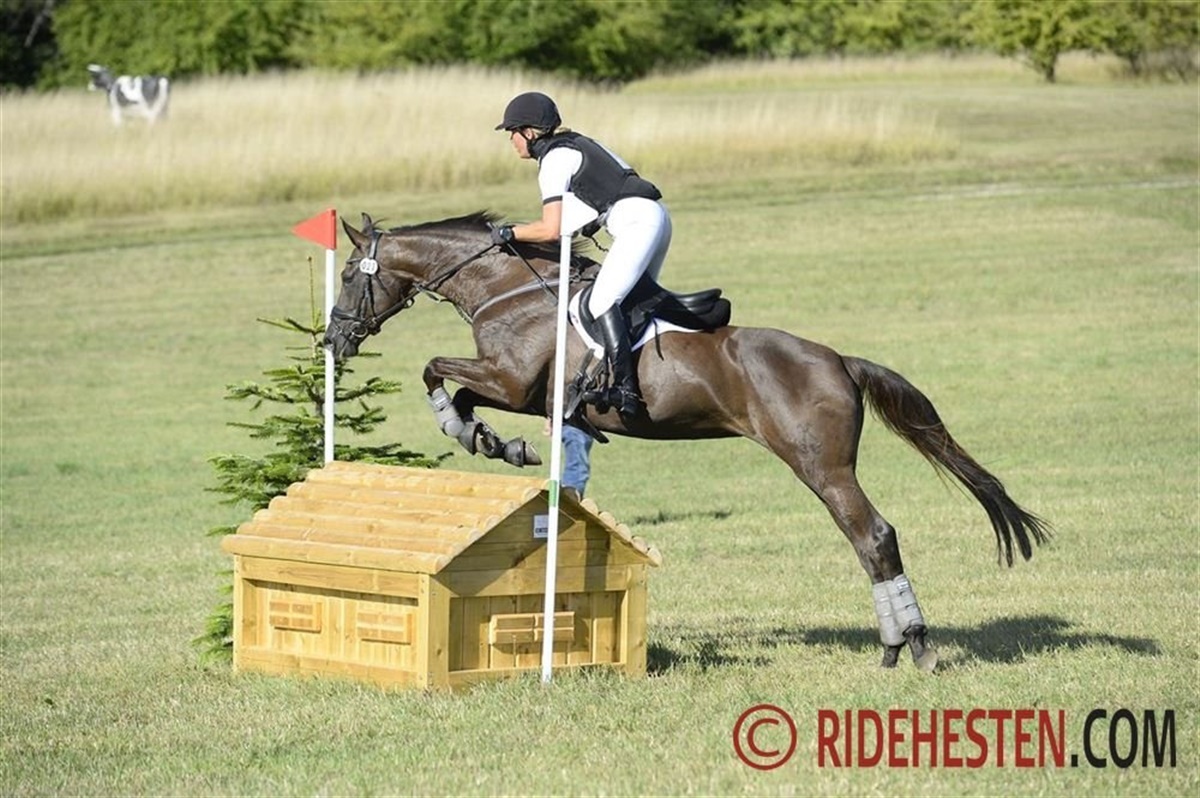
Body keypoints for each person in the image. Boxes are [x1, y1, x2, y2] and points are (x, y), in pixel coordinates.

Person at [492, 91, 671, 419]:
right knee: (632, 302)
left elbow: (550, 229)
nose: (511, 140)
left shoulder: (553, 161)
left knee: (601, 302)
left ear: (529, 132)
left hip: (637, 223)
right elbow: (608, 191)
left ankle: (626, 391)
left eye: (512, 132)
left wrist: (509, 232)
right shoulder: (579, 143)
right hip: (656, 216)